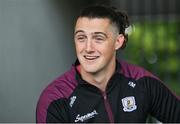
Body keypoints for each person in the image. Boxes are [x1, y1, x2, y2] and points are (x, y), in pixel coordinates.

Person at [36, 5, 180, 123]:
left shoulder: (141, 82)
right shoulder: (55, 98)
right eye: (81, 38)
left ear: (118, 41)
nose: (88, 48)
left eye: (98, 38)